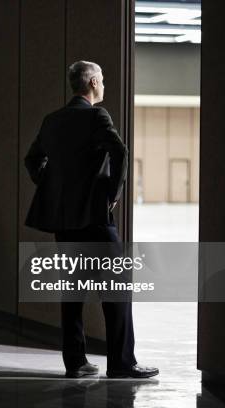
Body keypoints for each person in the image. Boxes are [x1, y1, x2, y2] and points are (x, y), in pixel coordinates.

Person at [24, 60, 159, 379]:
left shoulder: (52, 119)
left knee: (72, 291)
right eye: (103, 79)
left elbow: (32, 159)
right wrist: (112, 192)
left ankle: (75, 362)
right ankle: (122, 364)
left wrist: (54, 187)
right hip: (94, 218)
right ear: (94, 82)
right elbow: (121, 151)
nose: (104, 85)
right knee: (117, 289)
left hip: (64, 219)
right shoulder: (97, 115)